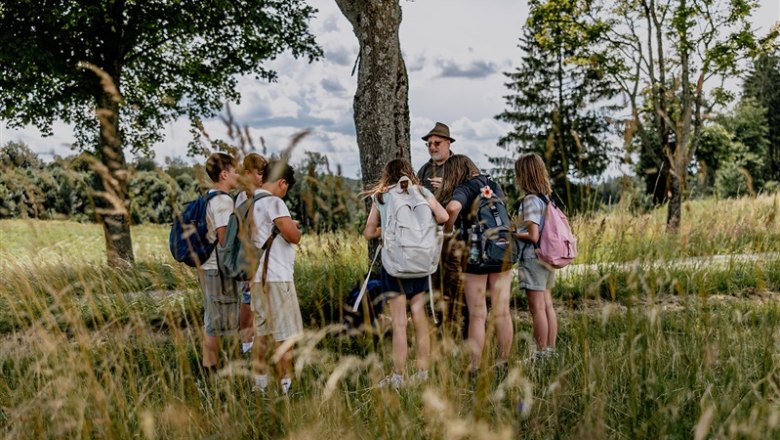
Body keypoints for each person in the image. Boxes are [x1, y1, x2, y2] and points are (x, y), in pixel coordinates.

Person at [363, 158, 449, 389]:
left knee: (400, 323)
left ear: (386, 175)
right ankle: (422, 372)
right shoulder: (421, 191)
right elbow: (443, 217)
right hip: (420, 262)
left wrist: (388, 229)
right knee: (420, 318)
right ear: (409, 172)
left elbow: (369, 232)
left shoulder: (381, 196)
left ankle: (399, 377)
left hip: (396, 265)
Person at [440, 155, 514, 371]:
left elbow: (452, 209)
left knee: (478, 314)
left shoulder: (464, 188)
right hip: (503, 250)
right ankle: (503, 361)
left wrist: (447, 229)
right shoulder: (493, 184)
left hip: (476, 254)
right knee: (502, 311)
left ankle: (474, 367)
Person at [249, 160, 302, 395]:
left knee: (261, 333)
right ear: (282, 182)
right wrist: (295, 228)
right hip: (277, 277)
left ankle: (259, 385)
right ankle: (286, 385)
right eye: (286, 187)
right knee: (284, 335)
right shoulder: (275, 202)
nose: (285, 192)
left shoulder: (250, 202)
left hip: (256, 278)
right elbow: (293, 236)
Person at [416, 122, 468, 336]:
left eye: (437, 143)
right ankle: (440, 329)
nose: (432, 147)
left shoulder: (461, 165)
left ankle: (462, 327)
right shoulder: (425, 169)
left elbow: (475, 190)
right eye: (429, 144)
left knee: (456, 281)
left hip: (457, 235)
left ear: (448, 143)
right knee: (434, 282)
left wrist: (449, 185)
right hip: (431, 237)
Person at [513, 153, 558, 360]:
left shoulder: (531, 200)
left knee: (536, 308)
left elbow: (532, 235)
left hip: (534, 257)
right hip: (548, 258)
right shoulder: (546, 198)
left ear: (524, 175)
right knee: (547, 305)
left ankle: (539, 354)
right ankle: (550, 350)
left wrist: (511, 233)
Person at [200, 152, 239, 373]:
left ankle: (211, 368)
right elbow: (225, 240)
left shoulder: (209, 196)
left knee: (211, 319)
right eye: (234, 172)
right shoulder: (223, 200)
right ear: (224, 174)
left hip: (207, 267)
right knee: (216, 324)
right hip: (218, 269)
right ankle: (212, 370)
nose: (237, 176)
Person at [234, 153, 268, 355]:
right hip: (249, 257)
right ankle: (247, 346)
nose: (262, 178)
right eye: (259, 173)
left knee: (258, 303)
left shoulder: (261, 195)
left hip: (262, 257)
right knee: (248, 301)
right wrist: (249, 267)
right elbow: (243, 235)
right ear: (247, 173)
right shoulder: (242, 198)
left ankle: (257, 343)